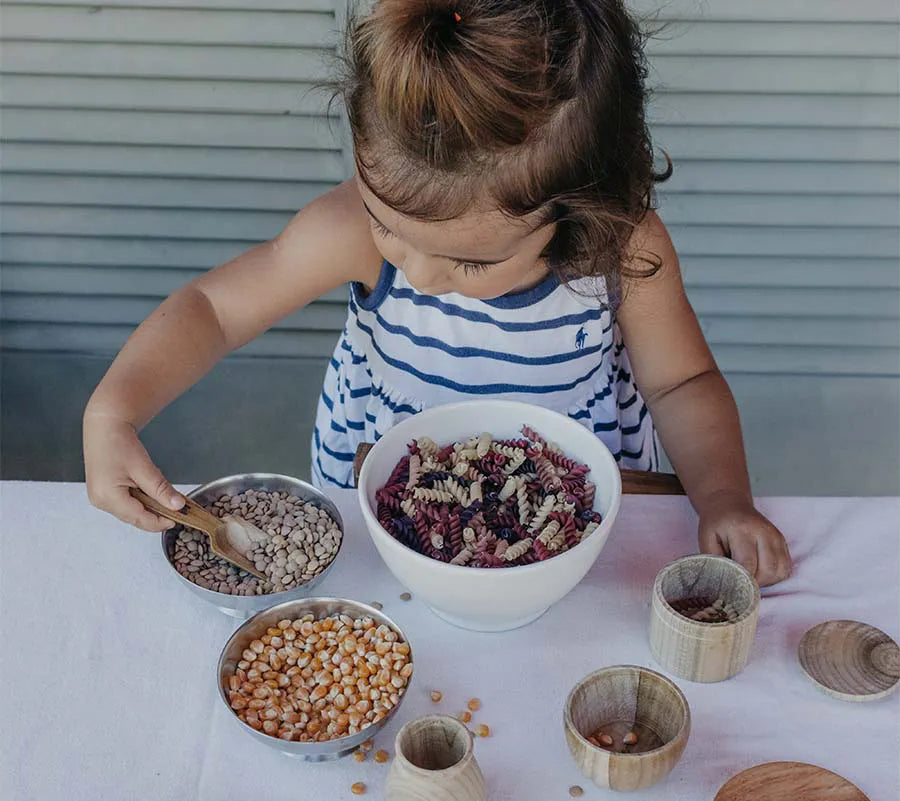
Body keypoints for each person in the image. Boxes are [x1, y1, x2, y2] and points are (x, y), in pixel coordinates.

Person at [83, 0, 792, 586]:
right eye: (390, 229)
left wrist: (724, 498)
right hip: (389, 517)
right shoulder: (348, 231)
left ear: (581, 209)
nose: (417, 274)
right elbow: (212, 310)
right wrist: (114, 411)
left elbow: (683, 383)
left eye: (469, 263)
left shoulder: (621, 248)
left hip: (573, 532)